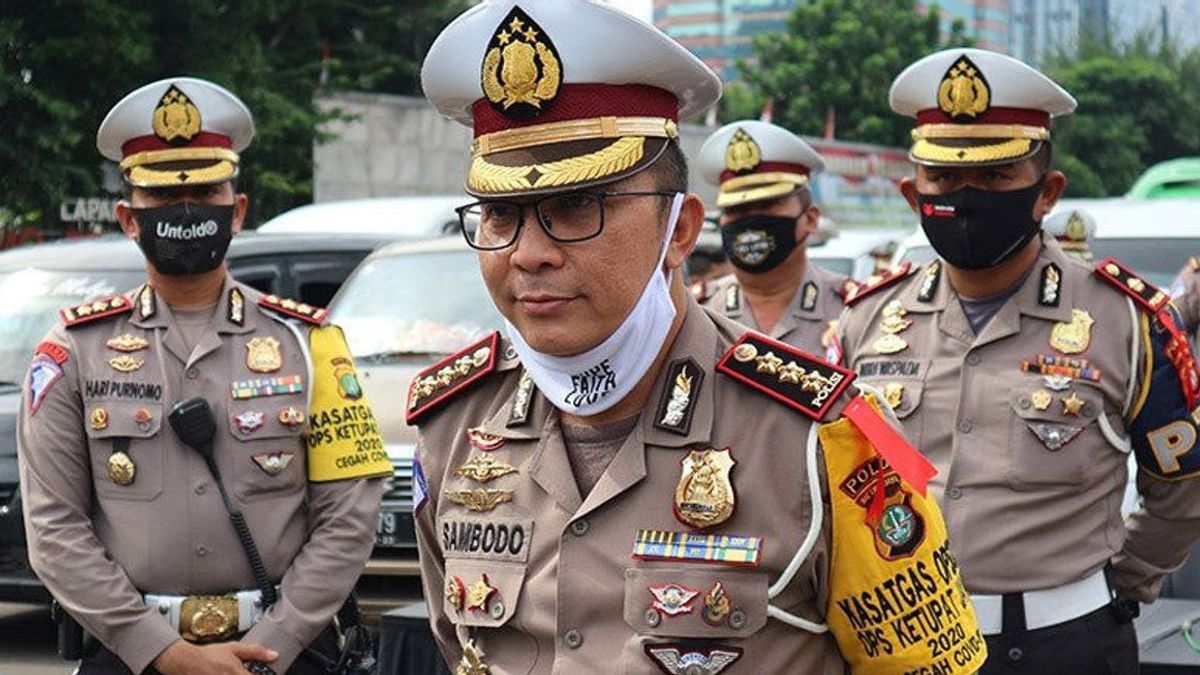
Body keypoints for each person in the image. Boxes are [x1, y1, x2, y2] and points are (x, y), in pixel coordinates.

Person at [412, 2, 986, 674]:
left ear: (679, 231)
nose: (528, 252)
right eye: (501, 214)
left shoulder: (826, 435)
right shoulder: (452, 424)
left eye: (576, 206)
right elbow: (461, 649)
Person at [837, 48, 1200, 674]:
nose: (968, 197)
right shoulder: (865, 321)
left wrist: (1114, 586)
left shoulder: (1125, 322)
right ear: (912, 192)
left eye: (998, 176)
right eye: (945, 181)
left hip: (1063, 645)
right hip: (898, 646)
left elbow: (1183, 488)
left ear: (1046, 192)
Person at [18, 77, 391, 675]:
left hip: (285, 656)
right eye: (161, 198)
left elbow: (349, 515)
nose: (184, 212)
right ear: (128, 218)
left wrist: (279, 639)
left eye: (205, 192)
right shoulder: (72, 352)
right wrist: (161, 651)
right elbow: (54, 528)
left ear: (237, 210)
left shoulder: (308, 342)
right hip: (128, 656)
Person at [695, 121, 852, 356]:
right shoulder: (695, 312)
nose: (750, 220)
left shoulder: (852, 310)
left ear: (810, 219)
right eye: (735, 210)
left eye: (767, 205)